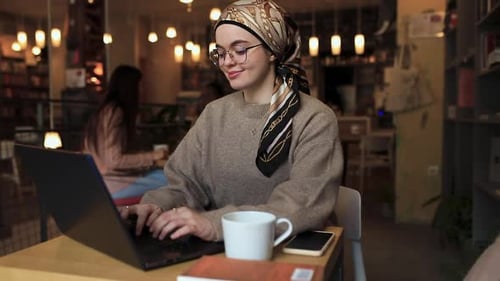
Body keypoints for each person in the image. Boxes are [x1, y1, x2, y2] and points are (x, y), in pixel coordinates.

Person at [120, 0, 343, 242]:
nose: (227, 62)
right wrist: (156, 206)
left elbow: (301, 205)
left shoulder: (314, 118)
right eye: (221, 52)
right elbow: (184, 184)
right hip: (222, 245)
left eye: (240, 49)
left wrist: (214, 224)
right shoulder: (214, 113)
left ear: (272, 50)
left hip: (291, 246)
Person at [82, 65, 169, 200]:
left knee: (162, 176)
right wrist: (154, 156)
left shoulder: (104, 111)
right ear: (131, 88)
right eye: (140, 86)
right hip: (110, 185)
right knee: (171, 180)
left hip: (99, 181)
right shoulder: (115, 112)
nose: (143, 90)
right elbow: (114, 161)